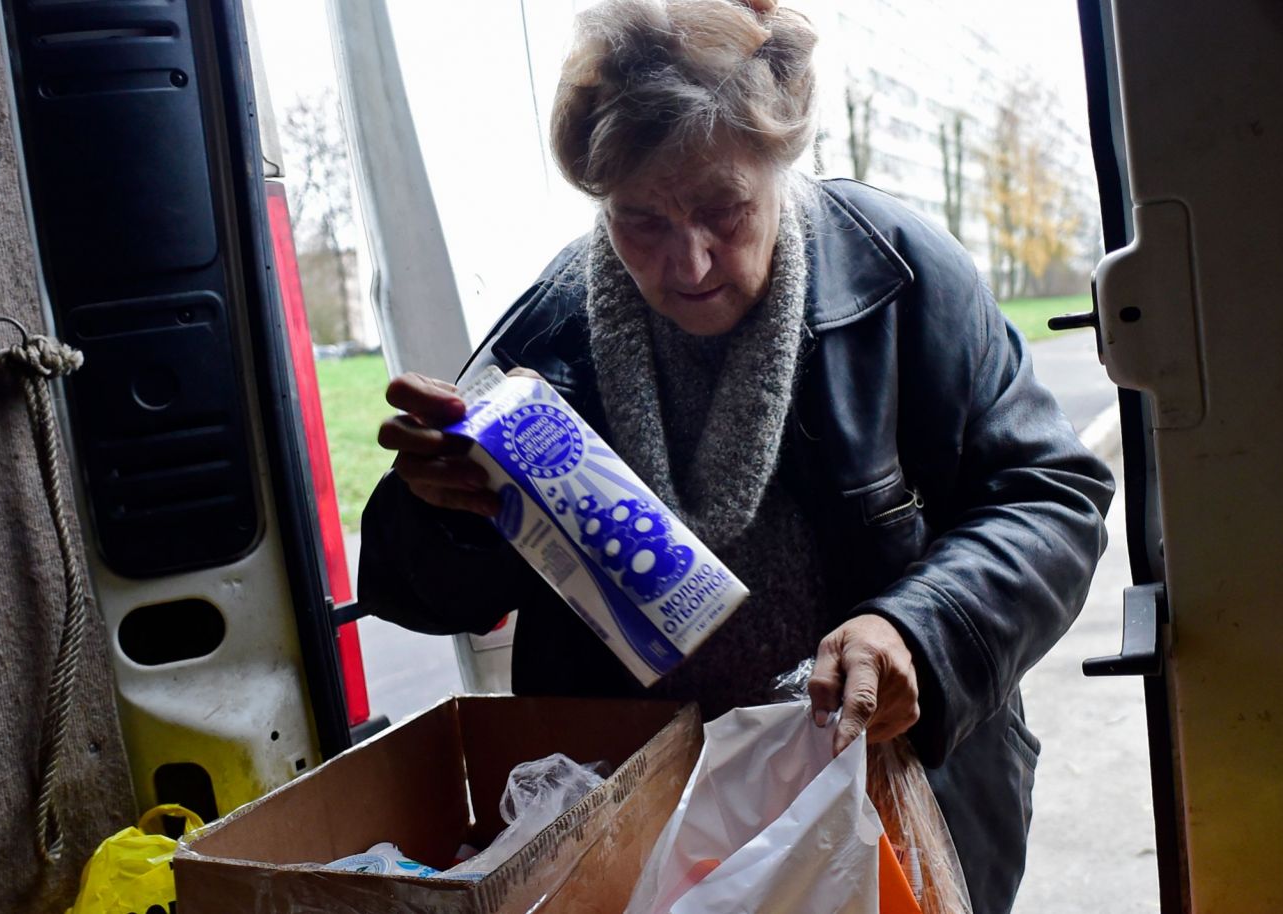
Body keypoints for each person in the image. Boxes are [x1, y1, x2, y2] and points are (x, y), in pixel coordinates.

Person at [356, 1, 1115, 909]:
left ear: (780, 165)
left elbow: (1050, 493)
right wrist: (440, 514)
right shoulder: (550, 335)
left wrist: (921, 628)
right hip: (659, 826)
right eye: (642, 222)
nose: (690, 261)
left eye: (724, 209)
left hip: (891, 792)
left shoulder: (900, 277)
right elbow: (428, 595)